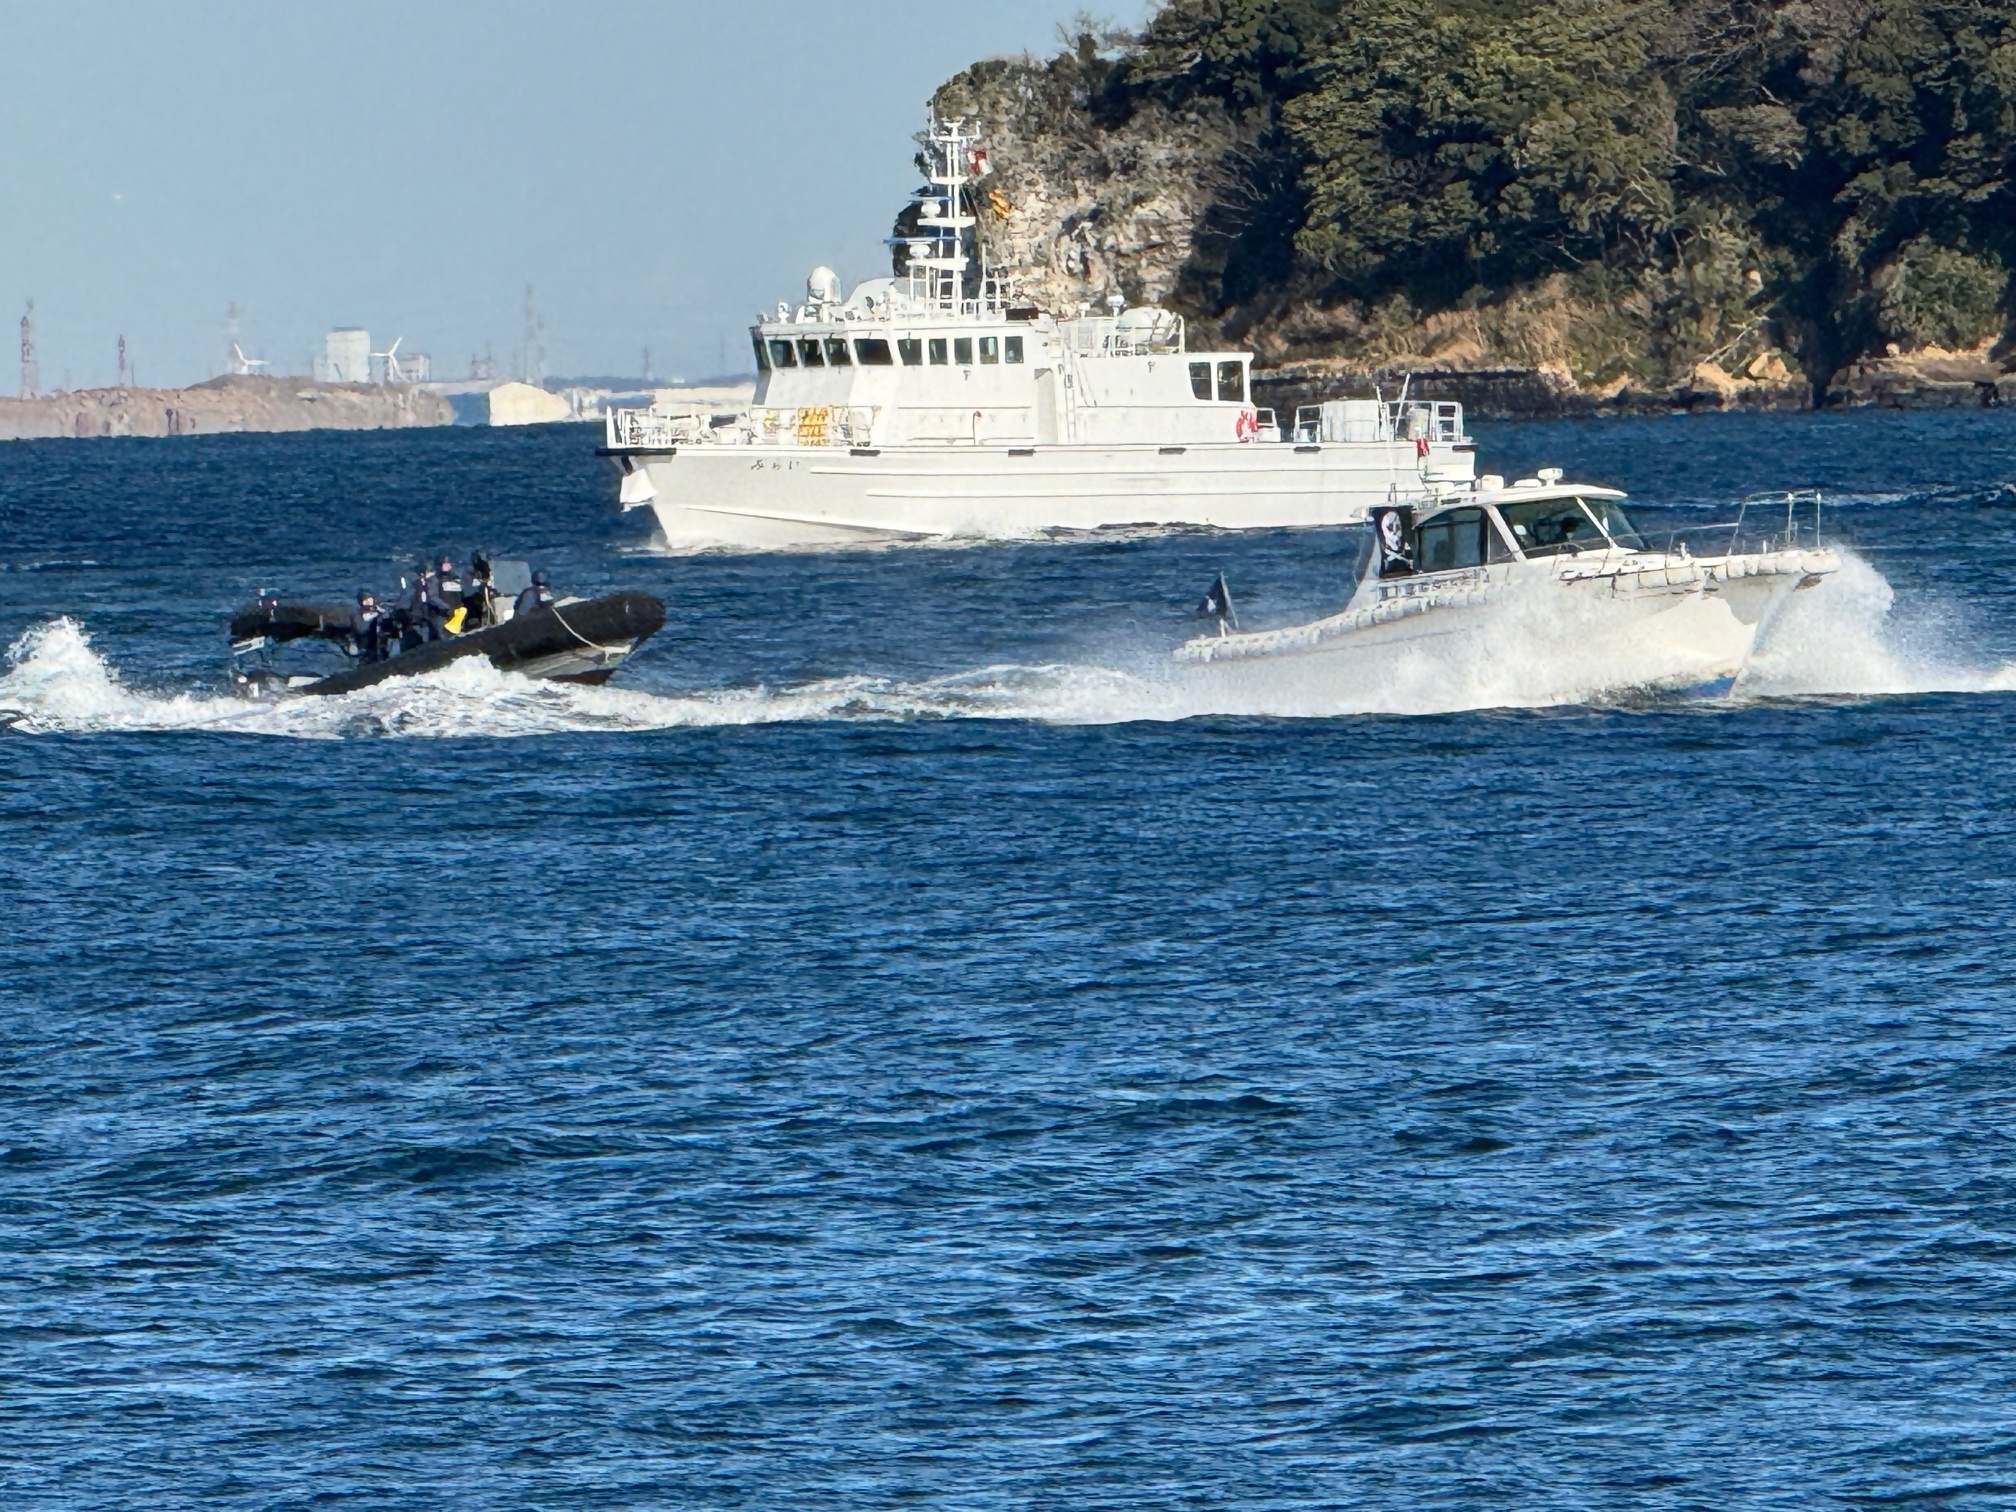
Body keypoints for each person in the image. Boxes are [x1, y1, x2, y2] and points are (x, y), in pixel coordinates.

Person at [427, 553, 466, 638]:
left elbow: (459, 593)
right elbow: (433, 597)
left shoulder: (452, 576)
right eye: (446, 562)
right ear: (441, 563)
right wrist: (446, 608)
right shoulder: (435, 579)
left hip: (455, 614)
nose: (449, 564)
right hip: (443, 616)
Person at [349, 589, 387, 662]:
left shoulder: (379, 609)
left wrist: (380, 612)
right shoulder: (357, 614)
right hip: (365, 644)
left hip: (380, 642)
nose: (368, 602)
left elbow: (388, 617)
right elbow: (361, 629)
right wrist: (370, 619)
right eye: (364, 600)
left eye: (369, 598)